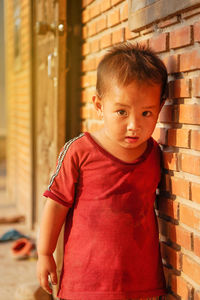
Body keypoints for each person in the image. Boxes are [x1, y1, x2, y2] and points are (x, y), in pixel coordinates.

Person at [37, 42, 168, 300]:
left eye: (146, 113)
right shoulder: (79, 151)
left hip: (140, 282)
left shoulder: (154, 154)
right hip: (85, 282)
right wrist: (44, 253)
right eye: (121, 112)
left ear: (160, 108)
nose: (134, 125)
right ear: (99, 106)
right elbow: (55, 204)